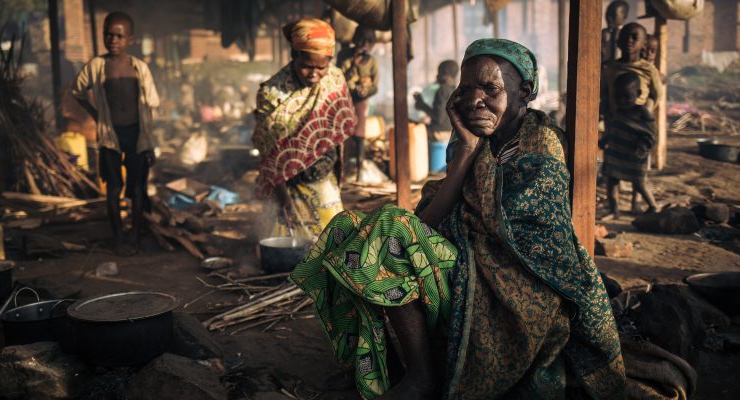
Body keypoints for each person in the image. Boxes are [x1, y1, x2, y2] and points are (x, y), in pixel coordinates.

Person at [291, 39, 625, 399]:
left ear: (524, 92)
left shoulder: (540, 145)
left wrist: (457, 220)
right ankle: (375, 366)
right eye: (466, 90)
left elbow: (531, 238)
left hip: (513, 281)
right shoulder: (475, 140)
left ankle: (422, 378)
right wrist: (466, 150)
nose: (475, 99)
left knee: (389, 228)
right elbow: (430, 220)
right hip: (463, 257)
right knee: (347, 229)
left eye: (490, 89)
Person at [252, 18, 356, 239]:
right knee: (288, 240)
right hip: (288, 185)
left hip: (323, 177)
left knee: (332, 241)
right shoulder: (272, 93)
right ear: (294, 56)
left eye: (321, 67)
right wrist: (282, 198)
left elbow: (339, 128)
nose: (314, 74)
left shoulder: (334, 79)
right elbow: (270, 153)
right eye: (307, 66)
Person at [71, 11, 160, 255]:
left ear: (130, 39)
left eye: (119, 36)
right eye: (108, 35)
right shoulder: (97, 66)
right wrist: (95, 113)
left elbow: (150, 107)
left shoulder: (139, 68)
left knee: (138, 187)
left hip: (137, 134)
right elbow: (77, 91)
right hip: (111, 135)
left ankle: (135, 235)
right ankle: (119, 237)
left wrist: (150, 143)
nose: (113, 40)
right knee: (112, 187)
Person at [600, 72, 658, 219]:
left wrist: (644, 145)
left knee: (639, 184)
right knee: (611, 182)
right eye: (618, 97)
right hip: (616, 154)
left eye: (627, 96)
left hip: (635, 156)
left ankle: (653, 206)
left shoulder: (642, 112)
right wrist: (604, 139)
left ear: (638, 93)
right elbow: (612, 128)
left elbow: (650, 133)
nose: (622, 101)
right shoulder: (618, 111)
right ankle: (614, 210)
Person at [337, 27, 379, 182]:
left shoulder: (372, 62)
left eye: (369, 42)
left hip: (361, 102)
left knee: (360, 136)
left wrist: (365, 92)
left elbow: (375, 86)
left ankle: (360, 171)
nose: (364, 45)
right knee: (342, 135)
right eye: (362, 40)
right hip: (343, 101)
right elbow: (338, 77)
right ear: (356, 39)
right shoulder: (344, 56)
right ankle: (340, 170)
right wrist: (353, 63)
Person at [602, 22, 662, 116]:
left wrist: (646, 111)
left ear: (644, 43)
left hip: (638, 120)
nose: (629, 40)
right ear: (619, 41)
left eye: (634, 37)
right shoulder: (610, 68)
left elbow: (656, 96)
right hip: (615, 119)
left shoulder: (648, 69)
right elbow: (604, 93)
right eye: (625, 37)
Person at [413, 60, 458, 143]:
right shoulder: (454, 89)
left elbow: (438, 118)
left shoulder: (442, 90)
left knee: (412, 129)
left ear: (445, 73)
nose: (437, 76)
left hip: (440, 133)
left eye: (439, 72)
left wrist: (422, 106)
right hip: (452, 132)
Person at [601, 1, 629, 65]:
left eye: (613, 15)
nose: (609, 17)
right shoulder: (603, 33)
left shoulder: (627, 36)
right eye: (608, 14)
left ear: (624, 17)